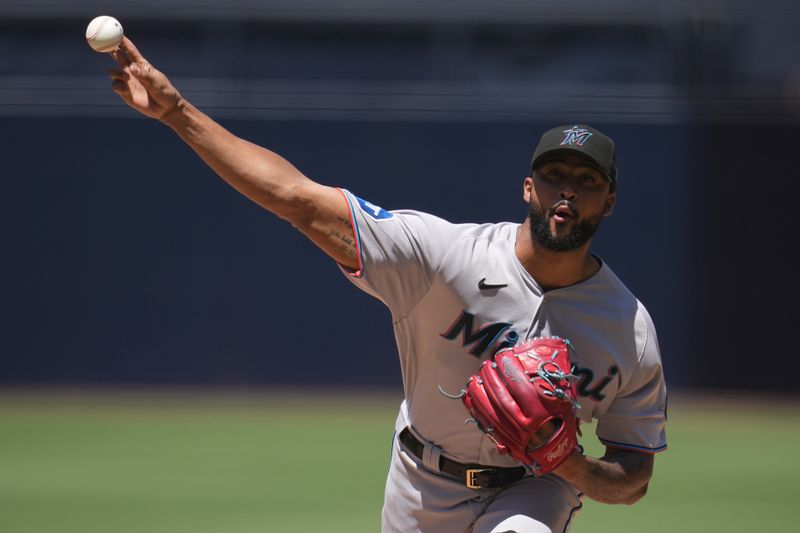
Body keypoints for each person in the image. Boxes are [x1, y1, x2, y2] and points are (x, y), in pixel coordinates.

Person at [106, 36, 667, 533]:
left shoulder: (629, 330)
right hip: (423, 480)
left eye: (586, 181)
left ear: (609, 202)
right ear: (528, 187)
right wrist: (177, 112)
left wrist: (569, 464)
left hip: (536, 486)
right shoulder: (443, 259)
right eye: (554, 175)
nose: (566, 192)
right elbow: (298, 200)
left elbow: (634, 475)